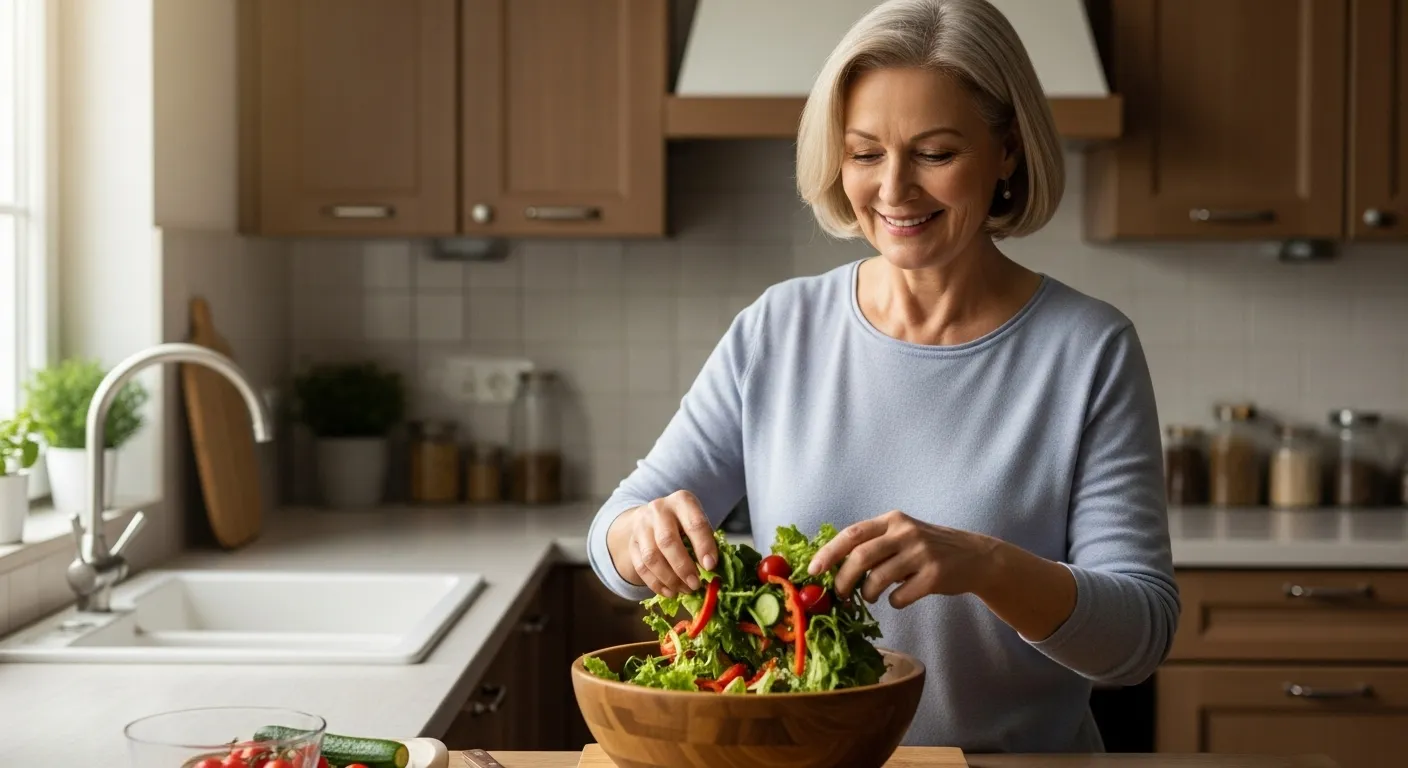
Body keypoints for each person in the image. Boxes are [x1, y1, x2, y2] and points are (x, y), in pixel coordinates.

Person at [586, 0, 1178, 753]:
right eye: (865, 153)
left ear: (1007, 151)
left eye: (934, 153)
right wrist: (640, 538)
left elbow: (1140, 639)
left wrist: (986, 565)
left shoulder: (1090, 351)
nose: (893, 190)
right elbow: (613, 534)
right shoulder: (779, 329)